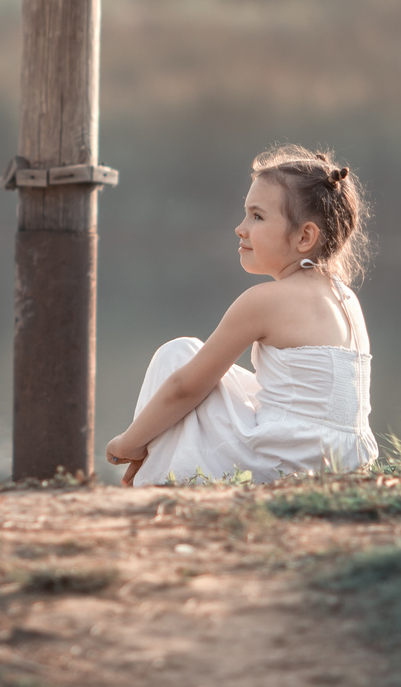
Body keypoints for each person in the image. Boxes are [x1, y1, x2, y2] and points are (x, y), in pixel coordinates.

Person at [104, 145, 377, 486]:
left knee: (177, 357)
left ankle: (150, 479)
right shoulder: (344, 296)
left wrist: (127, 444)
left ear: (305, 236)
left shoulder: (265, 301)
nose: (240, 228)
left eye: (257, 217)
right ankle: (158, 473)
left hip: (290, 460)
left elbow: (184, 389)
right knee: (210, 375)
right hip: (345, 458)